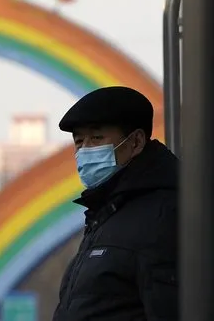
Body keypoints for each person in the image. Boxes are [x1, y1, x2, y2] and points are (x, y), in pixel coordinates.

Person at [52, 86, 178, 321]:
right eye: (79, 141)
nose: (85, 150)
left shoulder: (161, 215)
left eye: (97, 138)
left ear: (136, 141)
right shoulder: (106, 215)